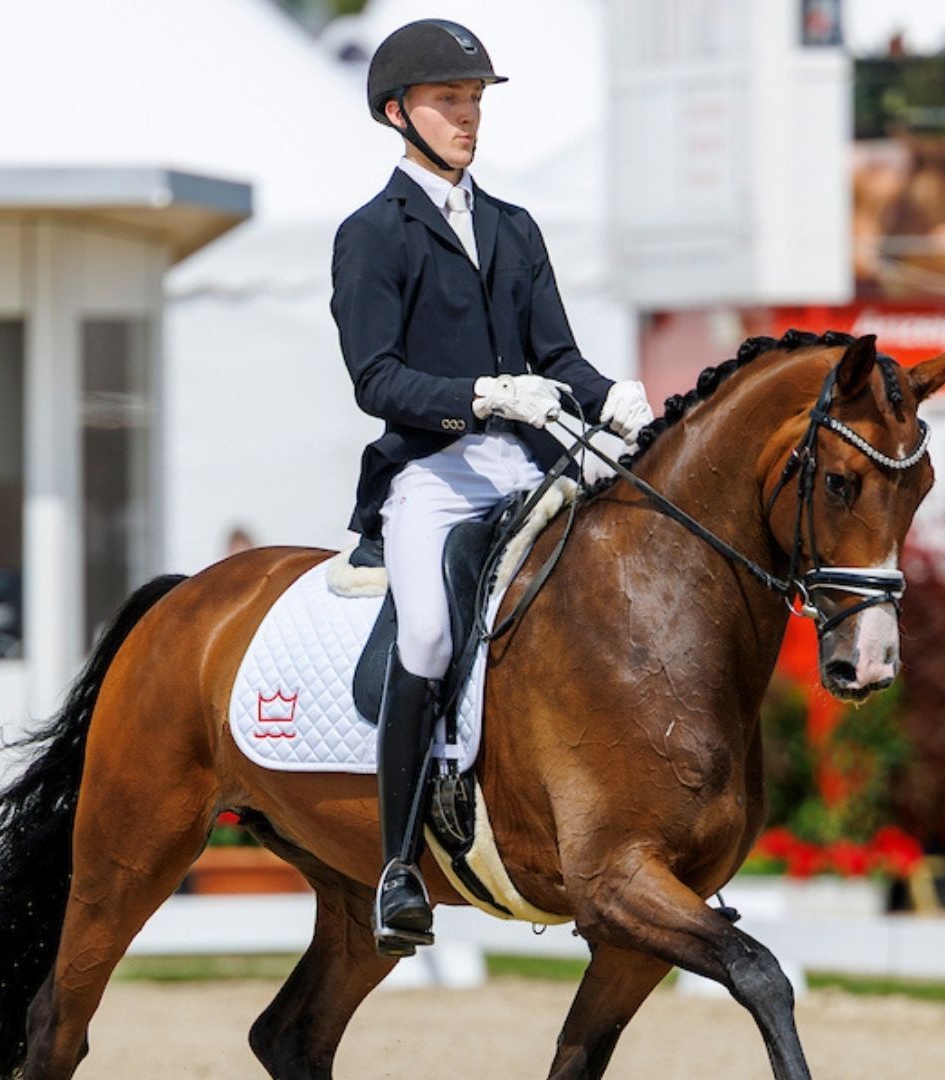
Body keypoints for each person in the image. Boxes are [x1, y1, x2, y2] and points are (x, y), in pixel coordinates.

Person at [331, 18, 653, 954]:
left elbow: (559, 357)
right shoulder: (371, 235)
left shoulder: (513, 227)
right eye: (449, 101)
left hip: (528, 461)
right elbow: (375, 378)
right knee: (429, 628)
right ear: (398, 112)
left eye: (474, 101)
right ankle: (398, 867)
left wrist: (619, 399)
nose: (469, 117)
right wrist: (476, 396)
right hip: (432, 471)